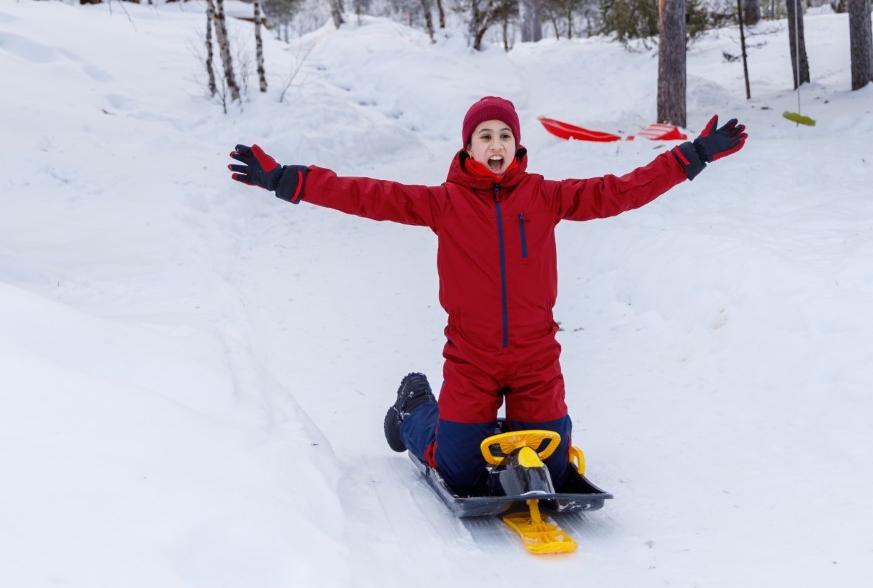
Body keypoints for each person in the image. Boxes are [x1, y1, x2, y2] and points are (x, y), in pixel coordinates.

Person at [229, 96, 747, 496]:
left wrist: (692, 155)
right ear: (468, 147)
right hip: (472, 359)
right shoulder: (444, 203)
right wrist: (286, 180)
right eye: (484, 136)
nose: (495, 144)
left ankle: (516, 423)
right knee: (457, 470)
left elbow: (620, 189)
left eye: (504, 135)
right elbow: (365, 195)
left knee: (555, 467)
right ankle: (414, 410)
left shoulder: (546, 196)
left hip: (535, 358)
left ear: (517, 144)